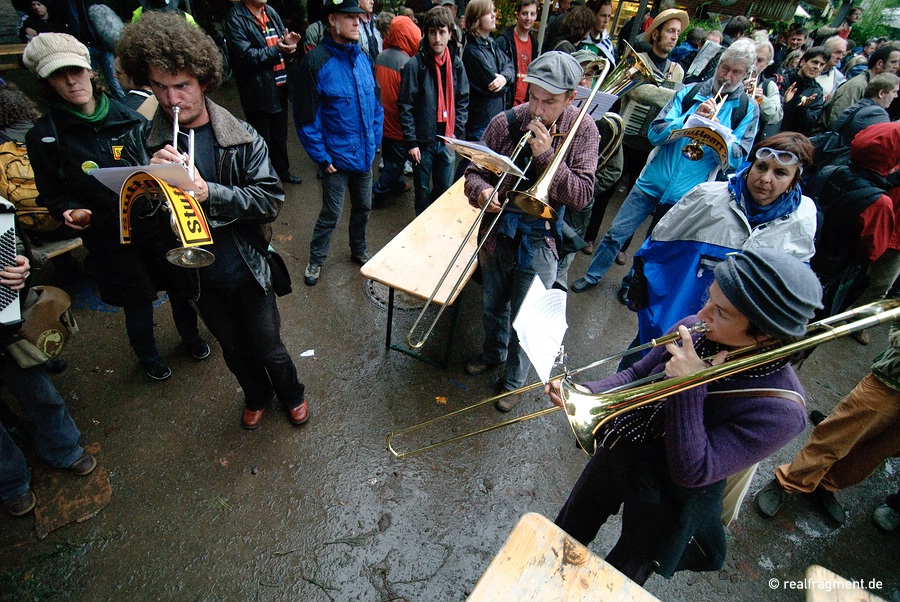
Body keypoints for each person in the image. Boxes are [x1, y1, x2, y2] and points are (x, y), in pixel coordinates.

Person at [548, 249, 822, 585]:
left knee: (622, 573)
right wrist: (590, 393)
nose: (700, 314)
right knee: (566, 531)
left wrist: (689, 386)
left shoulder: (781, 410)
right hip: (626, 443)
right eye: (710, 297)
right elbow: (637, 374)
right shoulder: (697, 328)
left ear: (764, 335)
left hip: (670, 495)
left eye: (720, 312)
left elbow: (695, 470)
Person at [117, 11, 309, 431]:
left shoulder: (242, 135)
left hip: (246, 267)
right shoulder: (141, 141)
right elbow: (135, 220)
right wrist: (150, 183)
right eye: (160, 87)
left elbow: (269, 199)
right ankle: (257, 396)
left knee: (269, 346)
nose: (171, 100)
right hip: (196, 277)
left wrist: (210, 193)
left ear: (203, 80)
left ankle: (292, 393)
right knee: (234, 349)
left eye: (182, 86)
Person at [24, 33, 207, 381]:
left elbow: (161, 159)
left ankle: (191, 337)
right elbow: (51, 193)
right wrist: (67, 209)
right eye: (58, 75)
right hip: (110, 236)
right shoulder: (45, 135)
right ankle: (148, 356)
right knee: (137, 301)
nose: (70, 81)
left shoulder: (132, 115)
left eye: (75, 71)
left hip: (154, 224)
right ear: (47, 82)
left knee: (181, 288)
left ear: (90, 71)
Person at [462, 52, 598, 412]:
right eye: (533, 96)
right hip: (497, 232)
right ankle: (493, 354)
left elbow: (582, 196)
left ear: (571, 97)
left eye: (550, 101)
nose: (538, 108)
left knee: (530, 317)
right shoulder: (506, 121)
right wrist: (481, 191)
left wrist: (547, 156)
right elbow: (474, 171)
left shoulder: (584, 130)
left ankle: (512, 382)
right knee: (492, 305)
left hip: (542, 240)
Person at [572, 39, 759, 294]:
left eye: (736, 72)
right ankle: (593, 275)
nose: (727, 76)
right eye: (724, 67)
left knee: (654, 245)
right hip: (653, 179)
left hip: (688, 193)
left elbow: (738, 159)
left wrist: (719, 138)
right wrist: (689, 120)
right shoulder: (690, 93)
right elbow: (655, 133)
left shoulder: (747, 110)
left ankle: (631, 285)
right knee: (616, 232)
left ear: (746, 74)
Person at [624, 133, 817, 366]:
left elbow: (791, 284)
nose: (765, 179)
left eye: (780, 173)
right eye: (761, 167)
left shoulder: (804, 216)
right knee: (638, 367)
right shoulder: (707, 196)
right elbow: (657, 244)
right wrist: (639, 285)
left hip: (728, 338)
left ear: (795, 179)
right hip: (673, 318)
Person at [754, 322, 900, 526]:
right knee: (840, 434)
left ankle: (826, 484)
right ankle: (789, 481)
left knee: (876, 452)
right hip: (892, 381)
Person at [580, 8, 688, 268]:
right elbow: (638, 94)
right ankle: (589, 236)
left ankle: (621, 246)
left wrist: (664, 93)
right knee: (605, 188)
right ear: (656, 34)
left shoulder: (677, 71)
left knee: (636, 197)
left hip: (652, 144)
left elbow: (669, 104)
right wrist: (675, 94)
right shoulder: (637, 59)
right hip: (625, 136)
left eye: (677, 32)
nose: (674, 37)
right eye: (670, 31)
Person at [0, 253, 97, 517]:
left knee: (38, 389)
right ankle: (10, 480)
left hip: (4, 325)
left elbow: (16, 240)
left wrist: (22, 264)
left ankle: (62, 446)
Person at [295, 0, 383, 286]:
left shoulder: (364, 58)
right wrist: (322, 157)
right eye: (349, 17)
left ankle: (358, 249)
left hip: (364, 155)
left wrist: (374, 142)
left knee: (363, 208)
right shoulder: (316, 62)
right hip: (335, 159)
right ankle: (316, 260)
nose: (358, 22)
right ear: (332, 20)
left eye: (359, 17)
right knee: (331, 214)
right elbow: (306, 118)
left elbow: (376, 106)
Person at [810, 122, 900, 319]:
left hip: (814, 256)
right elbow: (872, 250)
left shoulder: (831, 169)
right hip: (835, 270)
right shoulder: (879, 203)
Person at [398, 7, 469, 216]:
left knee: (443, 190)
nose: (437, 39)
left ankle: (437, 227)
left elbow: (463, 98)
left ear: (450, 33)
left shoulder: (456, 64)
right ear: (425, 33)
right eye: (432, 32)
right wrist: (411, 142)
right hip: (423, 142)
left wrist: (457, 130)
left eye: (442, 32)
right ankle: (420, 227)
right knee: (421, 190)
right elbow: (405, 105)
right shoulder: (415, 66)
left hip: (447, 139)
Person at [226, 0, 303, 186]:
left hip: (279, 85)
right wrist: (277, 49)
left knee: (280, 134)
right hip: (257, 90)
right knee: (262, 138)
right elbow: (246, 56)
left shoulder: (269, 11)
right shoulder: (235, 17)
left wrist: (289, 47)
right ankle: (266, 180)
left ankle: (283, 172)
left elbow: (280, 46)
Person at [372, 15, 420, 206]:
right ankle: (377, 193)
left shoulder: (381, 56)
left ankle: (398, 185)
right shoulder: (407, 62)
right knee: (397, 161)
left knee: (390, 156)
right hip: (398, 123)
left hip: (383, 120)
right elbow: (409, 99)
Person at [461, 0, 513, 142]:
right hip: (481, 123)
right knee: (474, 163)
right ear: (477, 18)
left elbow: (510, 65)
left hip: (493, 118)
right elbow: (493, 86)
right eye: (488, 12)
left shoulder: (491, 43)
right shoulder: (472, 51)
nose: (494, 15)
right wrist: (507, 79)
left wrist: (504, 78)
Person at [821, 45, 900, 130]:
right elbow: (836, 122)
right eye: (893, 62)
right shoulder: (857, 86)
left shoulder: (869, 84)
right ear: (879, 63)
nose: (897, 67)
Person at [495, 0, 537, 109]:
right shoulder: (504, 41)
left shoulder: (534, 42)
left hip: (525, 105)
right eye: (524, 13)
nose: (528, 18)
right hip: (506, 104)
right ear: (517, 14)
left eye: (532, 14)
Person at [780, 47, 828, 136]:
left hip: (790, 138)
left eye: (821, 65)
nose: (817, 67)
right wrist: (785, 102)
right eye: (814, 62)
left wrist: (803, 109)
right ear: (802, 62)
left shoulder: (817, 92)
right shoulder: (782, 79)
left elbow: (809, 125)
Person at [751, 40, 784, 140]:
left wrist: (761, 100)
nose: (754, 63)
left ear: (767, 64)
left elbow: (775, 116)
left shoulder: (768, 85)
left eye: (760, 60)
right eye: (752, 58)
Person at [579, 0, 616, 67]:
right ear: (593, 15)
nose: (606, 20)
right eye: (603, 15)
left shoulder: (607, 44)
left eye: (609, 16)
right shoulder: (579, 38)